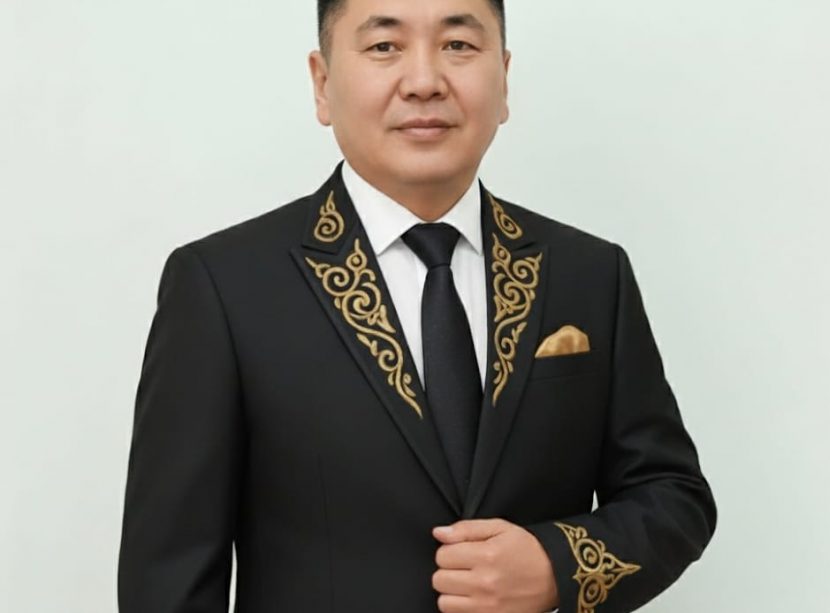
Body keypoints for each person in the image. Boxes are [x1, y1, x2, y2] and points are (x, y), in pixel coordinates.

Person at [116, 0, 717, 611]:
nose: (425, 81)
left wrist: (556, 565)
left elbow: (673, 495)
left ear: (504, 79)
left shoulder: (588, 273)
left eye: (459, 45)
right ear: (323, 83)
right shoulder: (224, 286)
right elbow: (168, 582)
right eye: (385, 46)